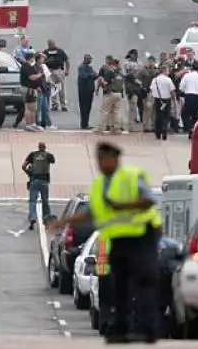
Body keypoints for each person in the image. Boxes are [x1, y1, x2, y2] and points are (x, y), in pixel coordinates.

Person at [48, 142, 162, 343]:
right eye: (99, 158)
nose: (101, 163)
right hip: (117, 240)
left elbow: (149, 200)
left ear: (115, 159)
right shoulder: (100, 184)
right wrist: (65, 221)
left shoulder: (131, 176)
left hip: (142, 236)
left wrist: (122, 206)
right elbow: (91, 213)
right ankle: (121, 329)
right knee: (117, 285)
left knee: (143, 283)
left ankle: (146, 329)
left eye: (105, 158)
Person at [22, 141, 55, 229]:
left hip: (34, 180)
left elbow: (23, 166)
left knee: (32, 201)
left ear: (38, 147)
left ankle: (32, 218)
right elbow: (53, 161)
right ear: (45, 147)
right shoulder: (49, 155)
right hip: (44, 181)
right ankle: (46, 219)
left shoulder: (32, 155)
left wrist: (29, 173)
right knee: (45, 201)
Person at [96, 58, 126, 134]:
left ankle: (100, 128)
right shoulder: (120, 73)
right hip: (119, 93)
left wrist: (101, 79)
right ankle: (116, 128)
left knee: (104, 110)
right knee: (117, 111)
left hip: (111, 93)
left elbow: (105, 83)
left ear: (112, 65)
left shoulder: (110, 72)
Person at [179, 66, 198, 138]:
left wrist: (187, 90)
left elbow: (181, 87)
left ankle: (188, 129)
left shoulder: (186, 76)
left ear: (191, 69)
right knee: (196, 114)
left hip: (188, 96)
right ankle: (194, 129)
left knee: (186, 114)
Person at [42, 39, 70, 112]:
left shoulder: (60, 51)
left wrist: (67, 70)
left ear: (54, 43)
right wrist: (48, 61)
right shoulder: (46, 52)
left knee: (61, 88)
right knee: (52, 88)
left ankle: (63, 104)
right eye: (49, 44)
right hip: (50, 71)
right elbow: (41, 61)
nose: (50, 45)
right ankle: (54, 104)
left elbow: (67, 60)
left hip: (59, 70)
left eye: (51, 44)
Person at [150, 65, 176, 141]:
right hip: (166, 100)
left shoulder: (154, 80)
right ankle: (164, 130)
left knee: (158, 116)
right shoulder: (168, 80)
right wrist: (174, 100)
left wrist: (150, 100)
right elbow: (172, 91)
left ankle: (158, 133)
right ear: (164, 71)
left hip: (157, 100)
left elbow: (151, 91)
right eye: (168, 70)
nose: (169, 72)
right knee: (166, 116)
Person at [94, 234, 114, 335]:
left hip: (103, 272)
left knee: (104, 301)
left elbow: (96, 252)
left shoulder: (102, 235)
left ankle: (104, 325)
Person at [19, 51, 43, 131]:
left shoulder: (30, 66)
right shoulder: (26, 67)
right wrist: (40, 75)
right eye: (33, 58)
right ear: (31, 58)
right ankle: (28, 124)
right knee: (28, 107)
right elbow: (32, 77)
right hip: (28, 89)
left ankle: (33, 124)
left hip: (32, 89)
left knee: (33, 108)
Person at [35, 53, 56, 130]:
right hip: (39, 90)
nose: (44, 60)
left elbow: (47, 76)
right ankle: (37, 124)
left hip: (45, 89)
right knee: (39, 108)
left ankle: (46, 123)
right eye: (42, 58)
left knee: (45, 108)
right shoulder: (34, 67)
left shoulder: (43, 66)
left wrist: (52, 83)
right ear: (38, 59)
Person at [77, 54, 97, 129]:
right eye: (89, 59)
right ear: (85, 59)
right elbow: (83, 76)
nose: (90, 60)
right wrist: (91, 75)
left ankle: (86, 123)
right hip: (83, 91)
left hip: (90, 90)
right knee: (84, 108)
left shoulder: (90, 68)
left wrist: (95, 75)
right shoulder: (81, 67)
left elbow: (93, 77)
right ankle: (83, 124)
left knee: (88, 108)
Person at [139, 56, 158, 133]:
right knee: (147, 109)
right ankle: (145, 126)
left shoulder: (157, 70)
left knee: (154, 110)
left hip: (155, 92)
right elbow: (138, 79)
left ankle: (154, 126)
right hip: (146, 92)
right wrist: (142, 87)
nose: (151, 62)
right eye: (149, 61)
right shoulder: (143, 70)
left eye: (152, 61)